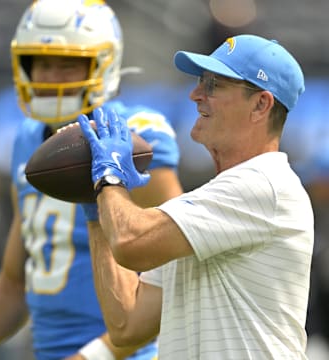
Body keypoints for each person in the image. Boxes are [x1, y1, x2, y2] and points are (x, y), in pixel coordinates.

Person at [77, 34, 314, 359]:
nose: (195, 94)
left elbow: (131, 242)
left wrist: (108, 178)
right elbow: (127, 324)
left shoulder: (265, 183)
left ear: (261, 104)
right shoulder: (211, 203)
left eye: (214, 85)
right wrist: (95, 213)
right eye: (201, 82)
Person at [0, 1, 182, 359]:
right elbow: (13, 284)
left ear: (104, 64)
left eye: (68, 64)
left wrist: (92, 356)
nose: (52, 78)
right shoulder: (28, 140)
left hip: (128, 352)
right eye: (42, 64)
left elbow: (180, 268)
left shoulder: (137, 133)